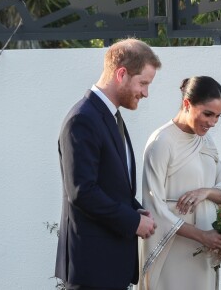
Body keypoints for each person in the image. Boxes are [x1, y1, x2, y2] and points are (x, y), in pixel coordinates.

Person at [54, 38, 161, 290]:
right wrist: (132, 221)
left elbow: (111, 184)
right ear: (121, 74)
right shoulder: (82, 119)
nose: (145, 92)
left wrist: (134, 210)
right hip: (92, 268)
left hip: (110, 265)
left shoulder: (110, 116)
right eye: (143, 83)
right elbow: (82, 191)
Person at [137, 76, 221, 290]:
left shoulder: (206, 141)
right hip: (172, 249)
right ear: (187, 104)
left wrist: (204, 192)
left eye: (218, 116)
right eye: (208, 114)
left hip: (205, 251)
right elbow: (154, 207)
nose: (213, 122)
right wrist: (202, 236)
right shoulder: (161, 142)